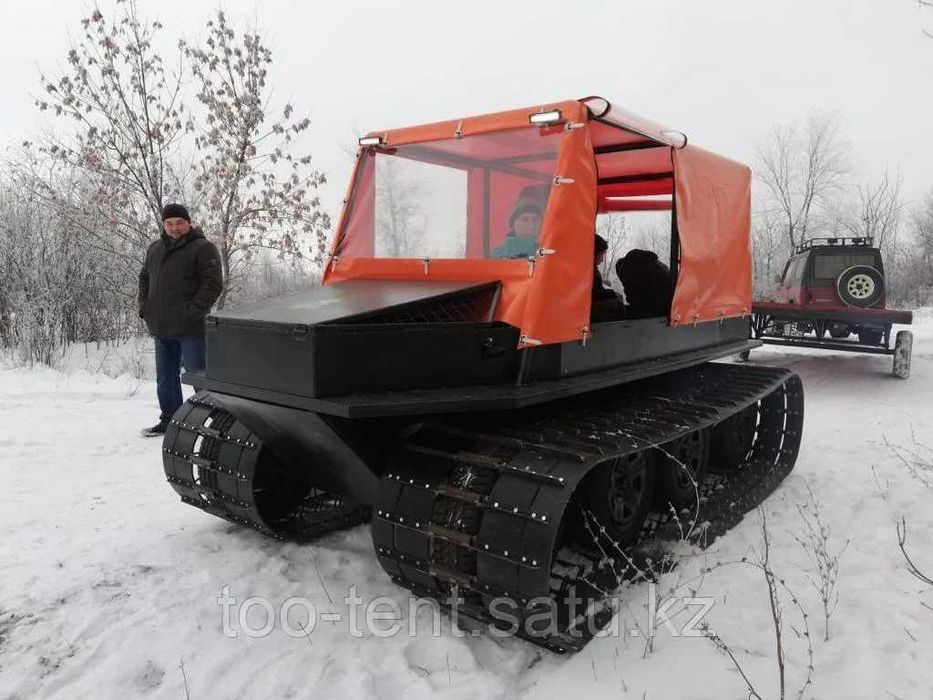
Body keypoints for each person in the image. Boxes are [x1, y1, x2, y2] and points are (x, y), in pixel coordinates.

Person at [138, 204, 223, 437]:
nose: (174, 228)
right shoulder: (155, 249)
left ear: (188, 223)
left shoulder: (203, 248)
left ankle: (214, 424)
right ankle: (170, 420)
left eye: (179, 223)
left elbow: (213, 284)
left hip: (191, 329)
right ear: (163, 225)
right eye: (169, 223)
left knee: (200, 378)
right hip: (161, 327)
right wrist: (145, 307)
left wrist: (192, 311)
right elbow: (144, 278)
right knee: (166, 379)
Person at [615, 249, 673, 319]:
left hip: (657, 310)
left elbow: (634, 296)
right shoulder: (655, 263)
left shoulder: (628, 268)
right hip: (672, 306)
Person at [591, 233, 624, 322]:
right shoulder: (588, 271)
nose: (602, 259)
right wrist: (612, 293)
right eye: (601, 254)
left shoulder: (591, 269)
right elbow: (594, 294)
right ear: (594, 252)